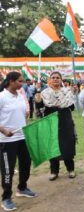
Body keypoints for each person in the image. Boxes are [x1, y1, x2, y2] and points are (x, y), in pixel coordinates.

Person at [0, 72, 37, 211]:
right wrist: (3, 130)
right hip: (6, 140)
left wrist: (26, 118)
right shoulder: (1, 97)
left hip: (22, 137)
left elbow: (24, 114)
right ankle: (6, 198)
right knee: (8, 170)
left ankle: (22, 188)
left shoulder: (20, 95)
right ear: (11, 81)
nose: (22, 83)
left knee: (25, 164)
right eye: (19, 81)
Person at [41, 72, 77, 181]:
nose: (55, 79)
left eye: (58, 78)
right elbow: (40, 109)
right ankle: (54, 171)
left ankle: (71, 170)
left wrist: (73, 93)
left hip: (65, 121)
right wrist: (38, 100)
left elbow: (72, 108)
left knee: (67, 145)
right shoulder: (44, 93)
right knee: (52, 146)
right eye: (53, 78)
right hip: (51, 122)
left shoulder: (67, 92)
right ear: (50, 80)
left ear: (61, 80)